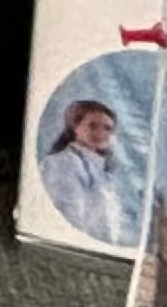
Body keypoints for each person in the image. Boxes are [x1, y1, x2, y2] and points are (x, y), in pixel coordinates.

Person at [43, 96, 138, 245]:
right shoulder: (63, 163)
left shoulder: (101, 168)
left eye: (107, 128)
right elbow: (69, 213)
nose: (101, 133)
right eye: (93, 126)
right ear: (75, 127)